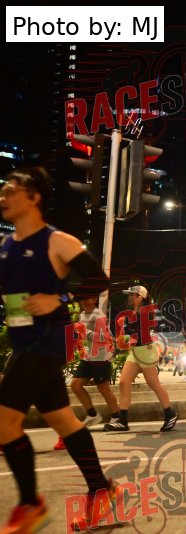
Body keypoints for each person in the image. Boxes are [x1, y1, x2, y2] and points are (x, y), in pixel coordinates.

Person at [0, 167, 123, 531]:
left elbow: (99, 280)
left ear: (34, 197)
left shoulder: (57, 241)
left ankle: (30, 505)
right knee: (63, 420)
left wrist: (60, 298)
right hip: (24, 341)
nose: (4, 196)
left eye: (11, 190)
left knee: (4, 422)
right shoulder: (6, 245)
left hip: (46, 341)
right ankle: (102, 489)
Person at [104, 285, 178, 433]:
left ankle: (170, 414)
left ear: (139, 297)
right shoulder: (132, 313)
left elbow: (137, 333)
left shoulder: (145, 313)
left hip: (146, 351)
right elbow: (129, 335)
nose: (128, 297)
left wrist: (124, 330)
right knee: (124, 382)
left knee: (154, 384)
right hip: (136, 351)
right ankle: (123, 421)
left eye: (131, 295)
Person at [54, 295, 122, 450]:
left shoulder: (99, 316)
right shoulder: (82, 315)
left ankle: (117, 416)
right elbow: (81, 336)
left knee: (103, 387)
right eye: (83, 298)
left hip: (101, 356)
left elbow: (106, 337)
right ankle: (92, 414)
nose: (84, 300)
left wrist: (86, 332)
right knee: (75, 385)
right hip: (88, 357)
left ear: (94, 300)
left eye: (88, 298)